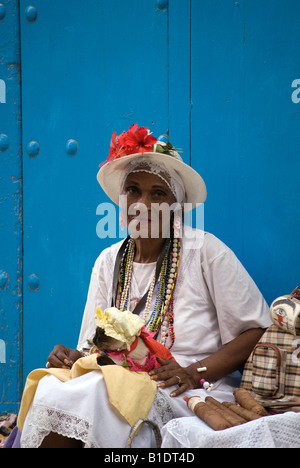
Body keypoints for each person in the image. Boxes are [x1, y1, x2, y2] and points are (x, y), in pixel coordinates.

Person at [15, 124, 271, 448]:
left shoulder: (205, 251)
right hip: (120, 381)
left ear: (175, 206)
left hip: (186, 391)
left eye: (158, 194)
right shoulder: (109, 261)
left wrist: (193, 371)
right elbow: (92, 347)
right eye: (133, 190)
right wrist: (72, 356)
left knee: (93, 394)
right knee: (49, 386)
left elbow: (255, 330)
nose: (143, 204)